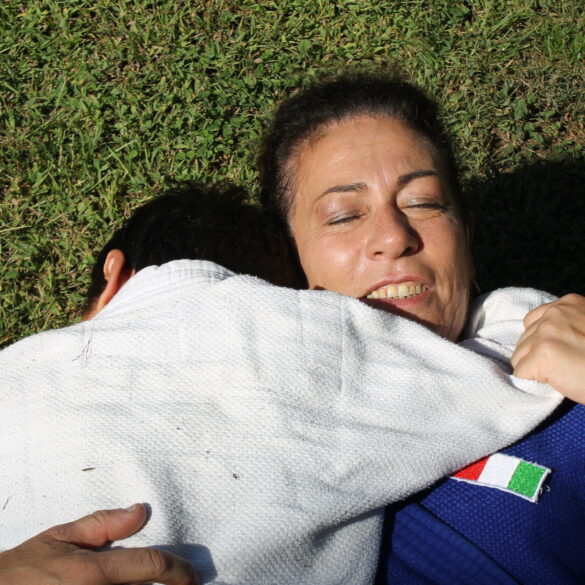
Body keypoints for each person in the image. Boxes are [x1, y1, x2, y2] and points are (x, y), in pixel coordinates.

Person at [0, 179, 568, 585]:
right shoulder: (314, 341)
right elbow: (498, 374)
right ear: (296, 296)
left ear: (114, 275)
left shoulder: (15, 371)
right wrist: (522, 310)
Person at [257, 72, 585, 584]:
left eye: (423, 203)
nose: (392, 236)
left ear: (466, 235)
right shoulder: (240, 432)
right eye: (344, 216)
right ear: (290, 263)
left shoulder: (563, 391)